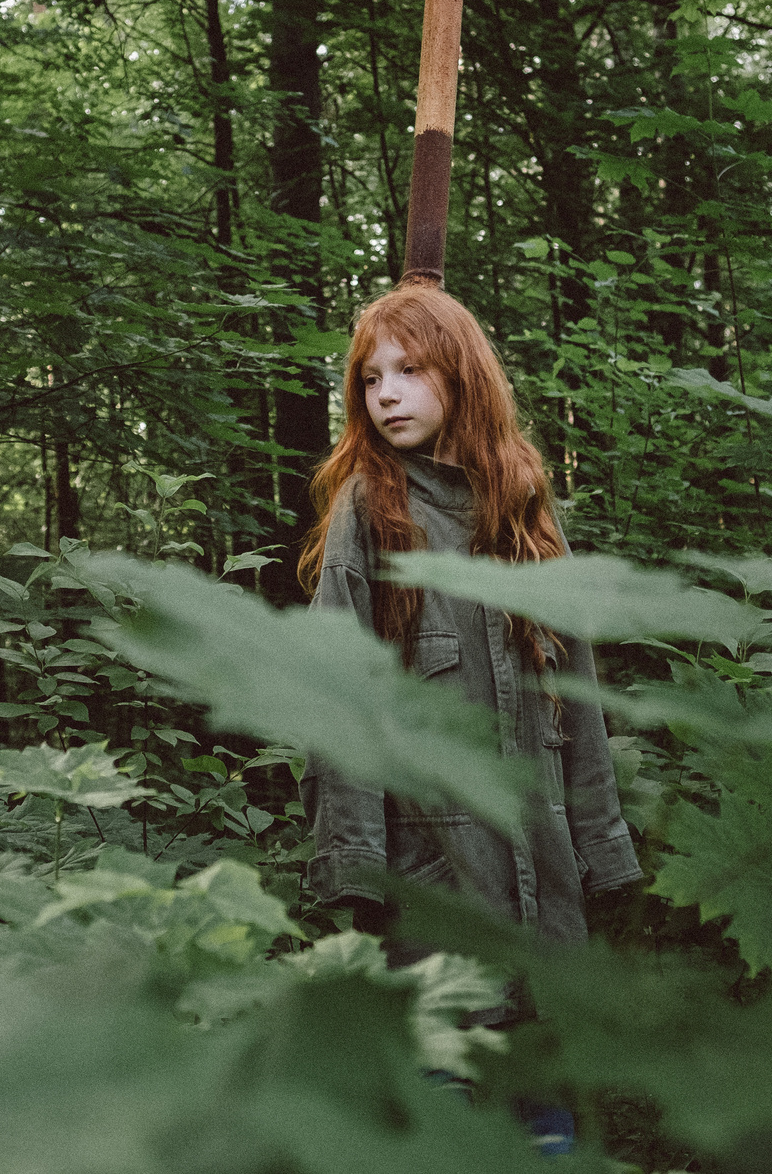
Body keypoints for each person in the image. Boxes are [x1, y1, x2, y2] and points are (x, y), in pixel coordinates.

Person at [297, 281, 643, 1156]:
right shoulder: (369, 514)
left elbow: (581, 702)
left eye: (409, 370)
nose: (385, 393)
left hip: (544, 890)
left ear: (461, 375)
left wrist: (602, 852)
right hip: (436, 888)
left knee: (547, 1121)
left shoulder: (525, 515)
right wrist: (356, 873)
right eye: (370, 377)